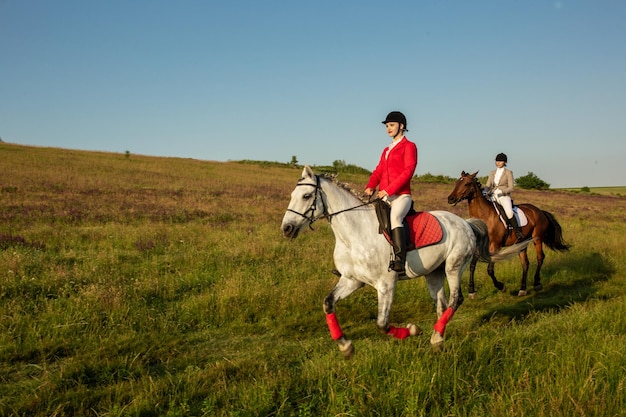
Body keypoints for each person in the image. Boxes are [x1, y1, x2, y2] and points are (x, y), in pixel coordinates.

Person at [365, 111, 418, 275]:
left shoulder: (409, 146)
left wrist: (388, 190)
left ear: (401, 126)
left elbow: (408, 171)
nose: (388, 128)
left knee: (395, 218)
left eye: (392, 125)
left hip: (401, 196)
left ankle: (400, 260)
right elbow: (379, 170)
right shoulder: (386, 149)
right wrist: (371, 185)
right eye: (387, 126)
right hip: (385, 196)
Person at [484, 152, 524, 242]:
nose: (498, 162)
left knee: (509, 212)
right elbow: (488, 185)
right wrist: (484, 192)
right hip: (492, 195)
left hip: (503, 196)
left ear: (504, 162)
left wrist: (502, 192)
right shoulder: (492, 173)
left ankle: (518, 232)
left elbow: (511, 187)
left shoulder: (508, 172)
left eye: (500, 161)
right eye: (497, 161)